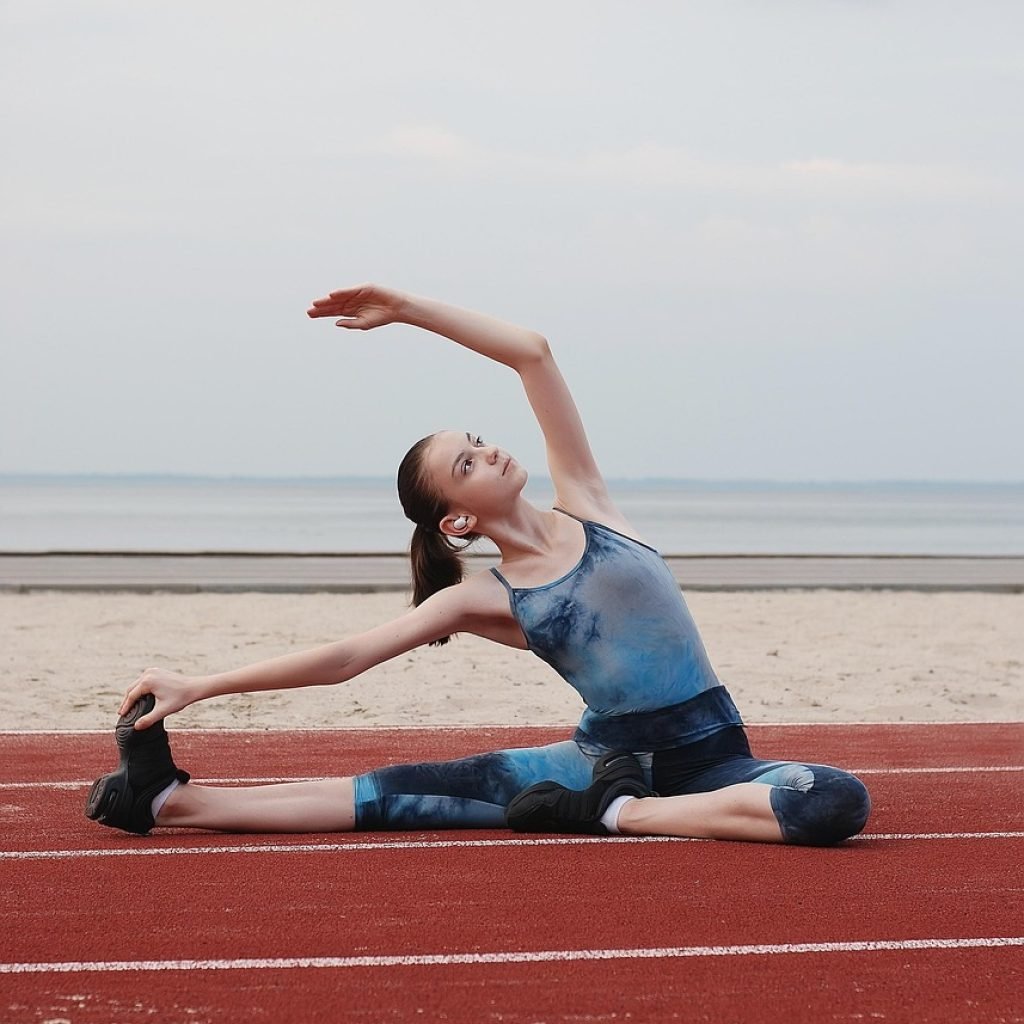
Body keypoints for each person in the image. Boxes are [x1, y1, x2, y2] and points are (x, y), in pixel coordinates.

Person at [85, 284, 871, 846]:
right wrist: (200, 686)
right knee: (391, 798)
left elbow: (531, 354)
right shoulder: (485, 595)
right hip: (600, 763)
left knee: (831, 800)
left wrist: (408, 310)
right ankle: (170, 804)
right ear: (459, 519)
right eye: (468, 463)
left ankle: (615, 815)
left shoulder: (589, 504)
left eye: (477, 438)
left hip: (711, 763)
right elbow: (347, 658)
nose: (489, 449)